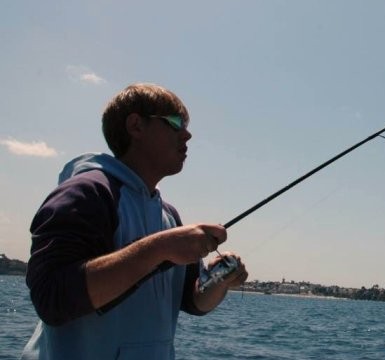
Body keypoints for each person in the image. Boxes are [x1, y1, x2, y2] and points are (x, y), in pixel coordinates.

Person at [21, 83, 248, 359]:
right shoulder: (88, 193)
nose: (187, 135)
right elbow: (52, 298)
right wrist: (160, 248)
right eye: (176, 122)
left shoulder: (170, 217)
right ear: (136, 126)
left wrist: (219, 280)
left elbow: (192, 300)